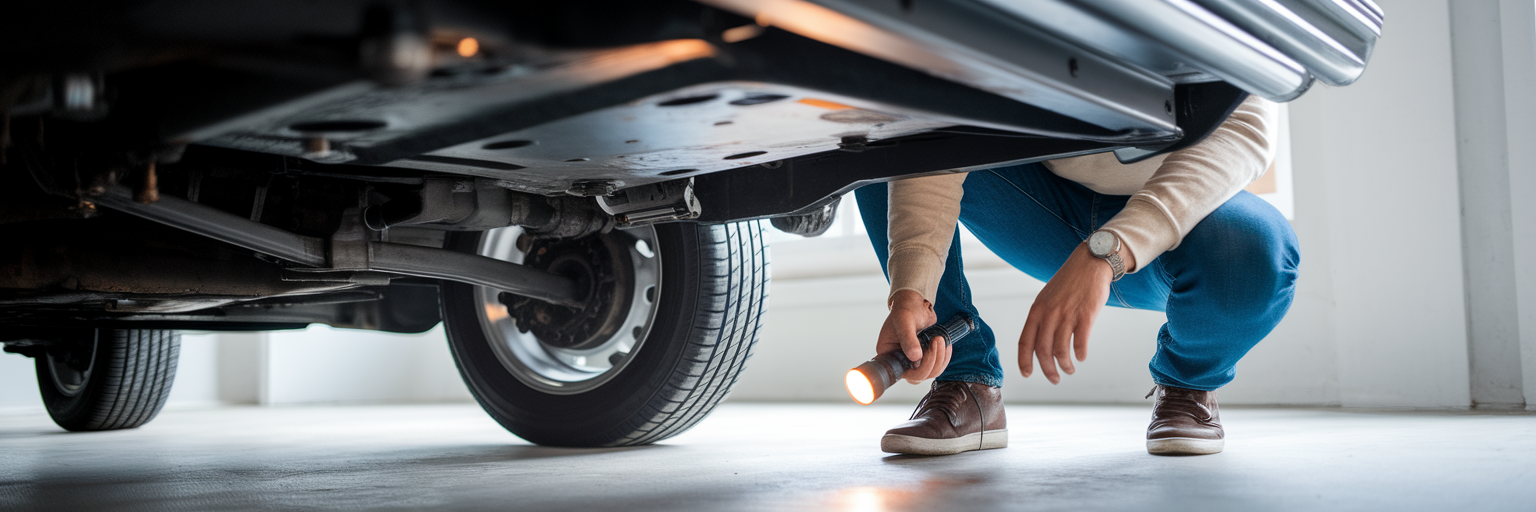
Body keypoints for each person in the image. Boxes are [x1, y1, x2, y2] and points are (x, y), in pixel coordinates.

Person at [855, 94, 1296, 456]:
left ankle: (1187, 388)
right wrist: (912, 290)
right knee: (879, 140)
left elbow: (1243, 128)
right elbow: (941, 126)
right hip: (1048, 208)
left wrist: (1110, 249)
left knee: (1257, 251)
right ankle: (968, 382)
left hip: (1177, 231)